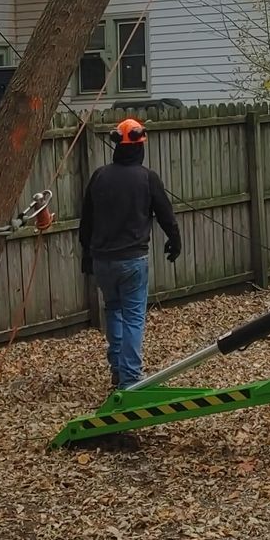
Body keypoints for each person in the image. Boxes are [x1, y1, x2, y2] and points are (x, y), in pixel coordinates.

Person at [78, 118, 181, 389]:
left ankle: (117, 366)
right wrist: (175, 240)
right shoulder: (147, 178)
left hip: (102, 260)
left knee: (113, 309)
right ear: (139, 146)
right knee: (134, 316)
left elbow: (86, 221)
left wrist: (86, 254)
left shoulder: (99, 176)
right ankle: (131, 379)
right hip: (133, 260)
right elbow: (166, 215)